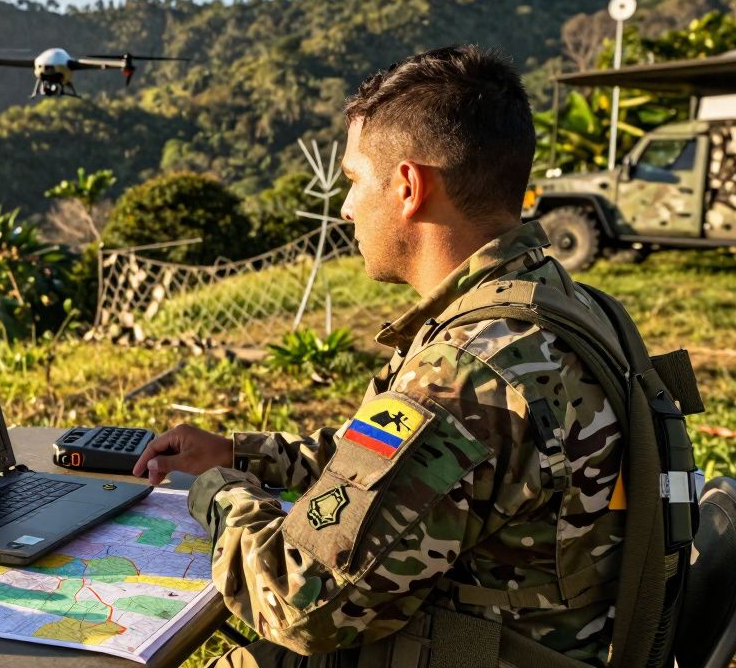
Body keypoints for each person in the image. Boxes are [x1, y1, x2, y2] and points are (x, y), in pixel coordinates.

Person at [133, 45, 626, 667]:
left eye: (353, 181)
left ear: (409, 186)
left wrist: (221, 489)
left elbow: (293, 602)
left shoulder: (466, 374)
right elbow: (385, 471)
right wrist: (237, 452)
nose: (344, 207)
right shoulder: (568, 308)